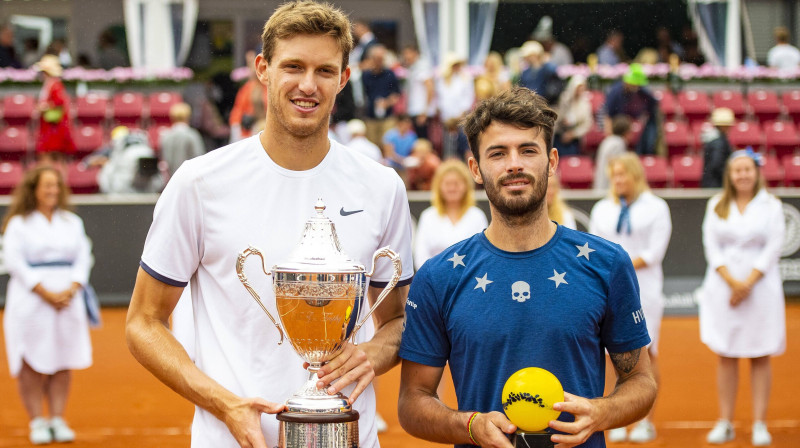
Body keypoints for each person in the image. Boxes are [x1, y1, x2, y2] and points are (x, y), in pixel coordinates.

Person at [125, 3, 414, 448]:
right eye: (293, 67)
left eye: (324, 70)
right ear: (263, 69)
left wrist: (371, 355)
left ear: (343, 78)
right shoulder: (199, 183)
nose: (307, 85)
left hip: (347, 438)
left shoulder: (382, 187)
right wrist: (224, 404)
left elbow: (396, 320)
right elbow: (143, 322)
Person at [397, 87, 656, 448]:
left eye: (527, 150)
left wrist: (603, 412)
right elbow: (413, 401)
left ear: (551, 162)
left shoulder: (607, 263)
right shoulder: (439, 275)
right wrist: (470, 426)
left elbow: (641, 381)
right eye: (498, 153)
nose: (514, 163)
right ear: (476, 168)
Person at [2, 166, 94, 445]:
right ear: (34, 189)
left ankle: (57, 417)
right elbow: (14, 262)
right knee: (31, 361)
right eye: (46, 186)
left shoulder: (72, 222)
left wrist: (73, 287)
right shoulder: (19, 223)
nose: (52, 191)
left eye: (56, 185)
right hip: (31, 303)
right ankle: (36, 421)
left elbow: (83, 256)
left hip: (68, 301)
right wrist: (45, 292)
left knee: (62, 359)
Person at [699, 150, 785, 447]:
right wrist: (732, 282)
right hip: (723, 290)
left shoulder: (772, 206)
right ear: (730, 175)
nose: (743, 175)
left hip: (761, 290)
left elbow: (774, 247)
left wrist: (747, 283)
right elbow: (711, 246)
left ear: (757, 172)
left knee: (760, 354)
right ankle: (725, 422)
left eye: (748, 169)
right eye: (738, 170)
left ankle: (760, 423)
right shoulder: (715, 205)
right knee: (727, 353)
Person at [589, 153, 672, 443]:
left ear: (636, 175)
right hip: (606, 292)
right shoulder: (602, 208)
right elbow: (594, 248)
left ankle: (645, 420)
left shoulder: (657, 207)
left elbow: (654, 253)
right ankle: (617, 417)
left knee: (646, 353)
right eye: (615, 175)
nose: (619, 180)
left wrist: (617, 268)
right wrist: (611, 273)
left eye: (623, 174)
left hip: (645, 290)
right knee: (612, 355)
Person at [413, 159, 487, 269]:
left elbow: (483, 253)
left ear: (466, 186)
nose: (452, 188)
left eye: (457, 184)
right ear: (439, 186)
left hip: (469, 280)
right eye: (447, 184)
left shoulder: (477, 216)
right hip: (434, 280)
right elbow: (420, 255)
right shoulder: (428, 216)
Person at [602, 63, 659, 155]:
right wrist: (610, 136)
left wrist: (640, 122)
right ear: (627, 82)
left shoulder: (644, 93)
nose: (635, 87)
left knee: (647, 144)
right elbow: (608, 116)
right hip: (618, 126)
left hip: (637, 127)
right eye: (633, 84)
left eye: (638, 85)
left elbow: (652, 109)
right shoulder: (615, 93)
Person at [33, 54, 75, 163]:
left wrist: (44, 107)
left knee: (55, 154)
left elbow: (59, 103)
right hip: (49, 125)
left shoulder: (55, 85)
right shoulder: (50, 84)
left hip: (54, 126)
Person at [361, 44, 401, 145]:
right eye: (376, 59)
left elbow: (396, 95)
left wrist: (386, 103)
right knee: (371, 144)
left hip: (387, 116)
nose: (379, 61)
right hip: (370, 116)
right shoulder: (366, 75)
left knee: (387, 143)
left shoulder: (390, 74)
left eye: (381, 59)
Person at [229, 48, 269, 142]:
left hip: (261, 126)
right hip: (245, 127)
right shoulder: (247, 88)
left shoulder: (267, 87)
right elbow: (239, 109)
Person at [159, 102, 206, 177]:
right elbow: (199, 157)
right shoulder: (192, 134)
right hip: (189, 177)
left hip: (172, 178)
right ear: (188, 116)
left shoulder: (165, 135)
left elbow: (165, 160)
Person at [401, 44, 436, 140]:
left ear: (415, 53)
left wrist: (425, 111)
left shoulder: (422, 66)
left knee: (423, 139)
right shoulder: (413, 68)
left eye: (408, 53)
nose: (406, 56)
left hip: (421, 111)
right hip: (416, 110)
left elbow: (430, 88)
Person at [554, 75, 593, 156]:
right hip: (560, 132)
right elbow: (559, 115)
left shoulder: (585, 104)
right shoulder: (565, 99)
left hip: (574, 137)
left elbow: (587, 124)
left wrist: (573, 134)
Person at [517, 40, 562, 105]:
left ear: (535, 55)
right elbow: (521, 87)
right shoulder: (526, 72)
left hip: (545, 102)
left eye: (529, 56)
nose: (526, 58)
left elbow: (555, 76)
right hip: (529, 103)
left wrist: (544, 61)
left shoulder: (547, 68)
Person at [593, 115, 632, 190]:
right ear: (626, 132)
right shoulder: (618, 143)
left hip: (600, 185)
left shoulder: (607, 140)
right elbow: (618, 167)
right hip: (608, 187)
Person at [701, 108, 735, 188]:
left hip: (710, 183)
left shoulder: (713, 140)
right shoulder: (719, 143)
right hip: (716, 185)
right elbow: (717, 165)